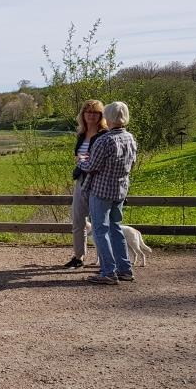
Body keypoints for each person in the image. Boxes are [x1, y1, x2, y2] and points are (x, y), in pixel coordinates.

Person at [78, 101, 138, 285]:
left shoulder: (104, 140)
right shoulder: (130, 137)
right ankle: (124, 269)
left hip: (101, 190)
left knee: (100, 230)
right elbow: (132, 163)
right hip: (120, 189)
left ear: (107, 117)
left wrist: (81, 161)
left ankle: (108, 271)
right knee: (116, 227)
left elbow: (92, 166)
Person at [64, 100, 108, 268]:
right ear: (82, 115)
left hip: (99, 181)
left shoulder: (105, 134)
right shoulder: (81, 134)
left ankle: (105, 260)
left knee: (99, 222)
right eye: (87, 112)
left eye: (95, 112)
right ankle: (78, 256)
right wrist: (82, 162)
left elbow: (101, 160)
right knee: (78, 220)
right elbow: (80, 157)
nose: (91, 115)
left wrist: (86, 161)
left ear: (101, 115)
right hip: (82, 180)